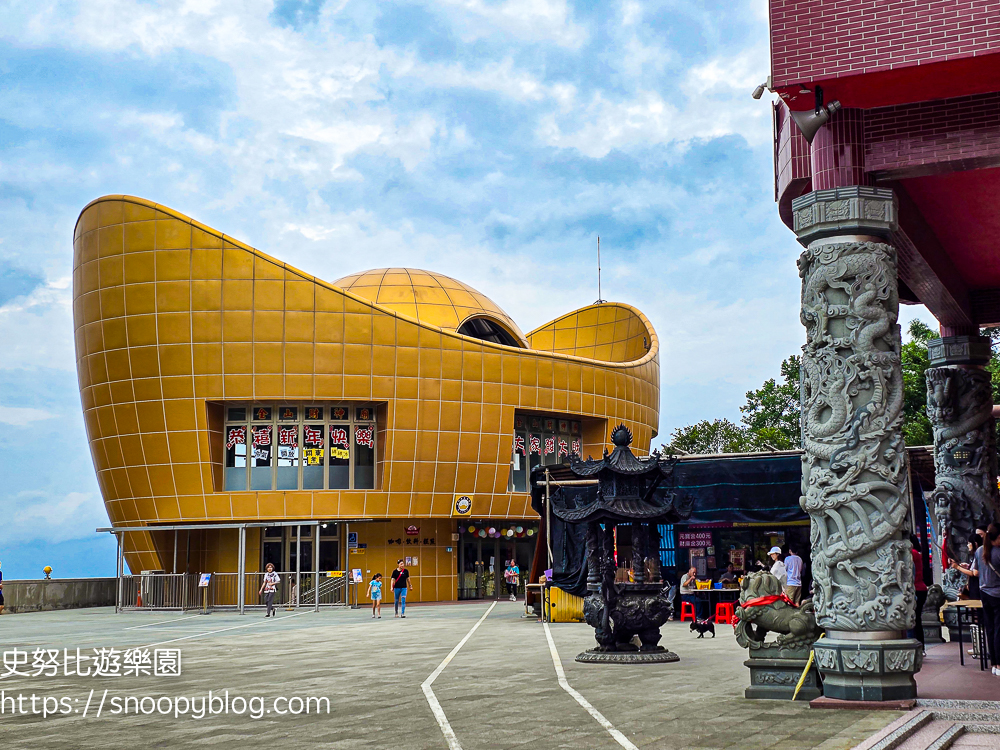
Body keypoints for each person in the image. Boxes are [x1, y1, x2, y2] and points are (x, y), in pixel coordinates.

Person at [951, 524, 1000, 676]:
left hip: (984, 593)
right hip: (997, 594)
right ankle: (999, 663)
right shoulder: (998, 553)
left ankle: (994, 663)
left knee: (990, 629)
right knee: (998, 629)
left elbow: (976, 571)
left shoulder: (979, 551)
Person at [910, 535, 927, 649]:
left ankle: (918, 646)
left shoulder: (912, 553)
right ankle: (921, 646)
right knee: (917, 619)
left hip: (916, 589)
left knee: (914, 619)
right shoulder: (916, 553)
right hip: (920, 588)